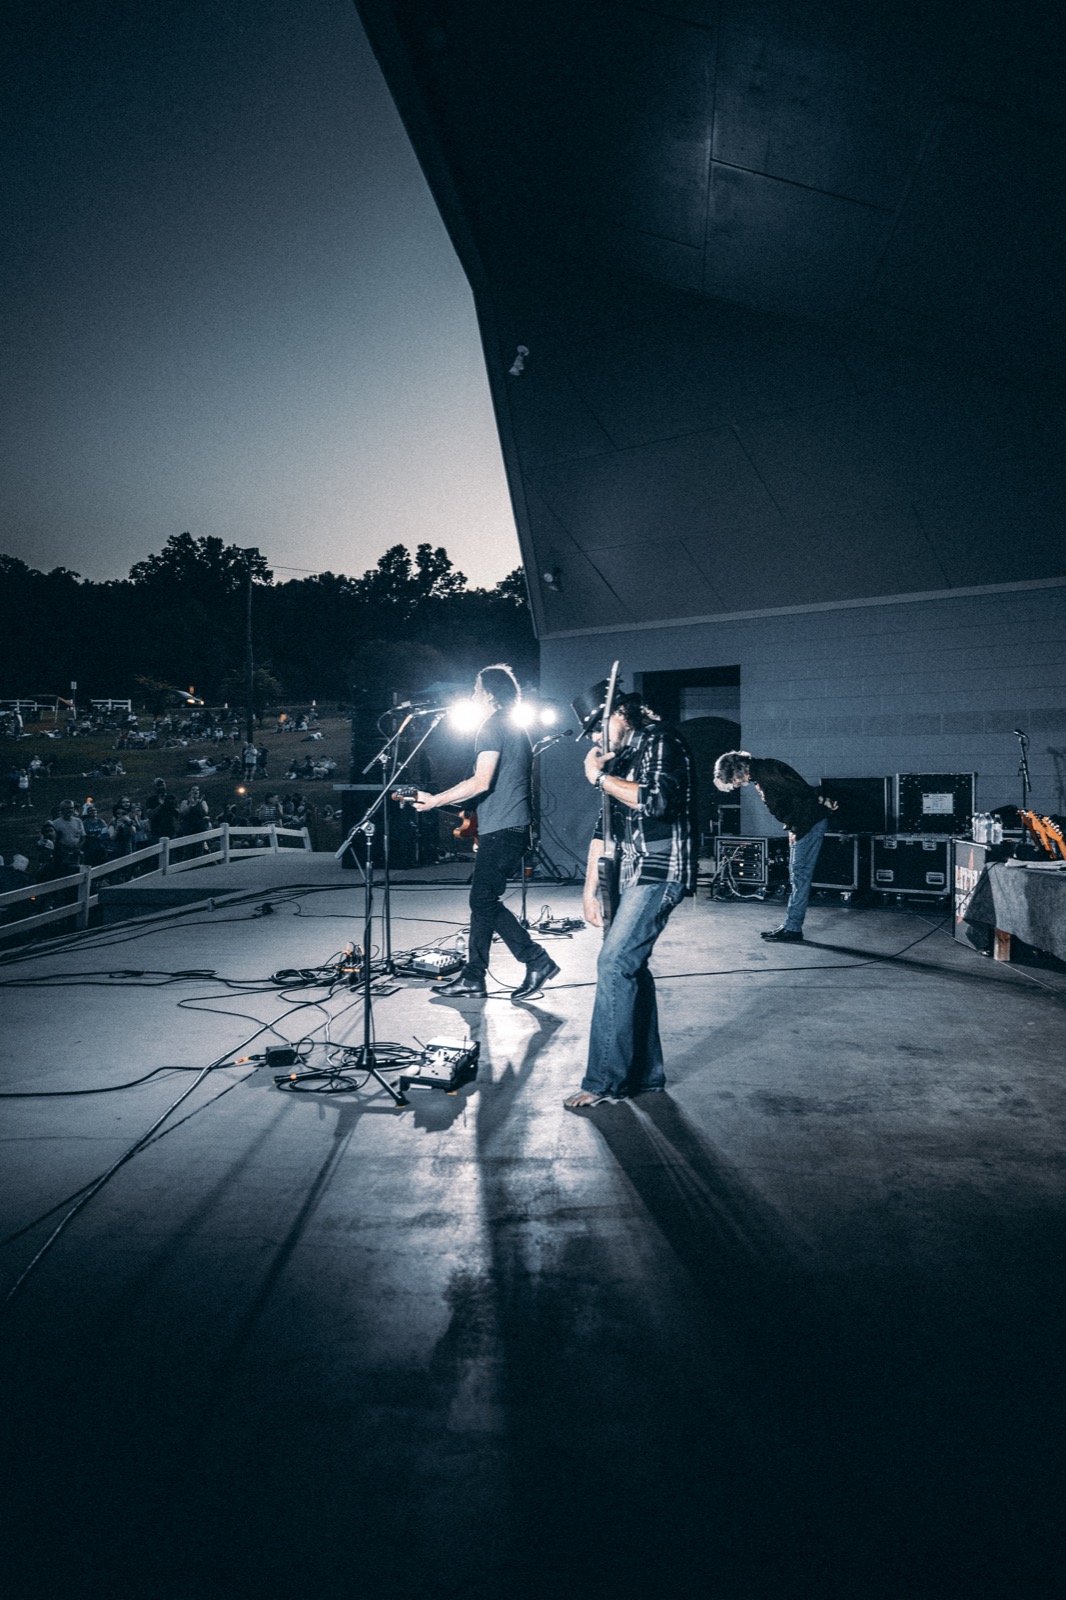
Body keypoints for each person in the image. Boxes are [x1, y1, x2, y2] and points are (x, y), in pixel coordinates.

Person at [564, 684, 697, 1109]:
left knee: (615, 962)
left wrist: (600, 778)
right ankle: (646, 1076)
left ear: (620, 713)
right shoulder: (620, 758)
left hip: (663, 869)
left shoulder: (661, 740)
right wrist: (589, 892)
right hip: (629, 871)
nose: (592, 740)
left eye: (595, 728)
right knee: (632, 969)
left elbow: (659, 802)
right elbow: (604, 831)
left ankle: (606, 1082)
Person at [411, 664, 559, 1001]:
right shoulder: (512, 726)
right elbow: (490, 789)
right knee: (483, 902)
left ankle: (537, 960)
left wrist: (434, 801)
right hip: (506, 827)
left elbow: (481, 781)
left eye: (477, 690)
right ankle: (474, 977)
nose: (474, 696)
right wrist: (453, 806)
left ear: (489, 693)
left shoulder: (492, 726)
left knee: (481, 899)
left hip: (504, 829)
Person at [713, 751, 838, 942]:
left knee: (800, 875)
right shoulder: (761, 772)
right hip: (802, 824)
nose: (736, 784)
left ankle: (793, 928)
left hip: (808, 823)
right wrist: (792, 829)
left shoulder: (766, 772)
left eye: (733, 780)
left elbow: (800, 790)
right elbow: (790, 801)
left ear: (737, 769)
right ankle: (791, 925)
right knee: (798, 875)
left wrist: (821, 802)